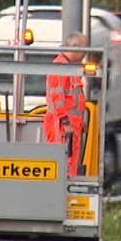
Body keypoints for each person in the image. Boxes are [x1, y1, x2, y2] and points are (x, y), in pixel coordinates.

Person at [45, 32, 89, 176]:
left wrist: (79, 121)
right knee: (62, 164)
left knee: (69, 163)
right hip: (62, 127)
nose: (85, 53)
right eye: (84, 48)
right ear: (75, 47)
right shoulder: (60, 67)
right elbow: (57, 98)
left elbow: (72, 98)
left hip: (70, 126)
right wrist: (65, 122)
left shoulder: (68, 67)